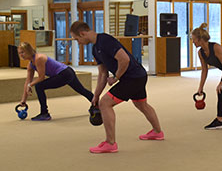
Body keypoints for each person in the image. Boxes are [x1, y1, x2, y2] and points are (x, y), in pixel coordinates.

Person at [69, 21, 163, 153]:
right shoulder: (95, 48)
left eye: (76, 39)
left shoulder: (105, 40)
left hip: (133, 77)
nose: (77, 42)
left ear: (82, 33)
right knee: (141, 105)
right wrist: (96, 95)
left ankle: (110, 143)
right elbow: (102, 73)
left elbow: (124, 59)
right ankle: (158, 132)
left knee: (105, 104)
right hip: (137, 76)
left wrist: (116, 78)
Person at [17, 42, 94, 121]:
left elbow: (41, 77)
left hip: (64, 73)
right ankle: (97, 104)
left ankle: (44, 113)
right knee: (81, 90)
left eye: (23, 52)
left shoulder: (38, 58)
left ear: (29, 51)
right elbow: (27, 82)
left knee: (39, 86)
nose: (21, 55)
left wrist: (31, 85)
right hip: (67, 72)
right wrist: (23, 100)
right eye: (19, 53)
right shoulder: (30, 65)